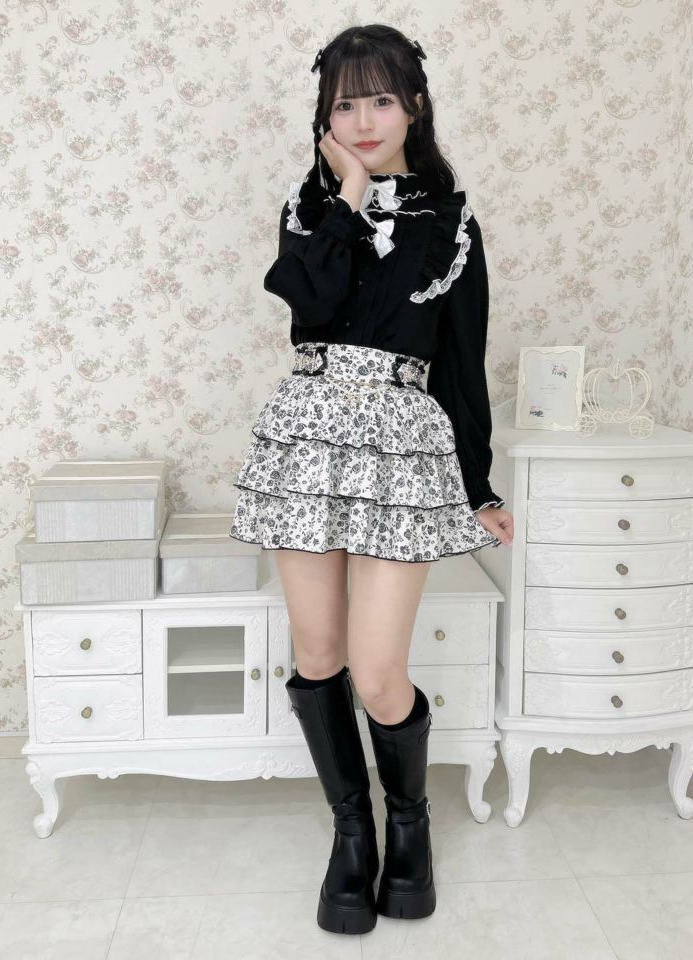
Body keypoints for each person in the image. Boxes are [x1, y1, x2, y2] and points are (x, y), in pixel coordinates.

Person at [230, 23, 514, 936]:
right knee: (319, 656)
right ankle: (351, 835)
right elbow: (309, 303)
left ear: (414, 106)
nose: (363, 120)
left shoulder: (453, 223)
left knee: (380, 670)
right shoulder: (308, 210)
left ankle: (410, 825)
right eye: (345, 104)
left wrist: (478, 486)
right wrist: (349, 193)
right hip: (310, 435)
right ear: (325, 117)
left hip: (402, 440)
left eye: (381, 100)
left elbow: (463, 364)